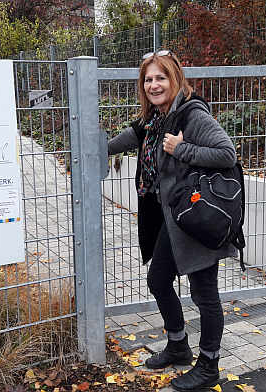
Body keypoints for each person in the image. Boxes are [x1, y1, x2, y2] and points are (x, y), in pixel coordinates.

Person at [107, 50, 237, 391]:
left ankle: (208, 365)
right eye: (148, 79)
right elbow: (129, 138)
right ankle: (178, 344)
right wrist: (90, 146)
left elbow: (227, 153)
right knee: (159, 279)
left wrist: (182, 150)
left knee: (204, 294)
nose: (153, 85)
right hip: (173, 219)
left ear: (174, 79)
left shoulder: (191, 115)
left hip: (197, 216)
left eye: (160, 78)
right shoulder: (155, 118)